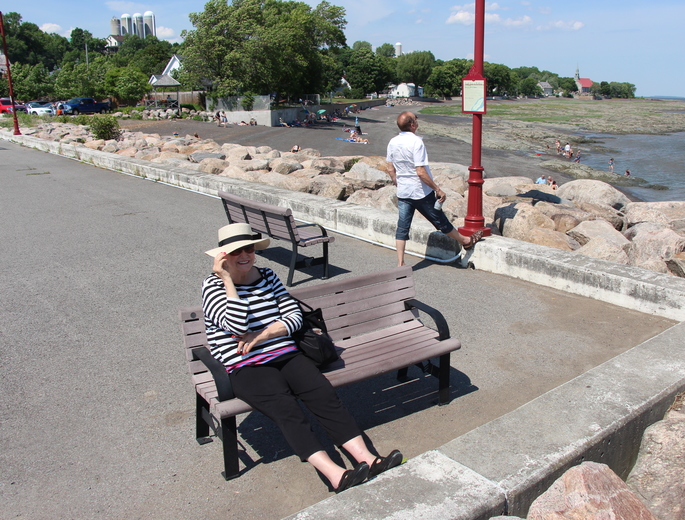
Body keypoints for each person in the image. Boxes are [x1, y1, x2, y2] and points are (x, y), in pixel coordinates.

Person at [201, 223, 403, 493]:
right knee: (287, 410)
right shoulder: (213, 286)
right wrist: (228, 280)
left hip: (285, 352)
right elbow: (236, 327)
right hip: (245, 365)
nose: (245, 255)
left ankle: (367, 457)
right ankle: (335, 474)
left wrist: (262, 335)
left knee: (325, 396)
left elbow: (294, 317)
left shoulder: (268, 276)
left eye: (249, 248)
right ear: (224, 256)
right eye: (237, 251)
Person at [386, 112, 483, 267]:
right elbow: (420, 172)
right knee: (440, 220)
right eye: (416, 119)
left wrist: (398, 182)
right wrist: (437, 189)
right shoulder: (416, 142)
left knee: (402, 227)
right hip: (420, 192)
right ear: (412, 125)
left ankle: (400, 264)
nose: (417, 121)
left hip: (403, 192)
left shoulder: (393, 142)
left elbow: (390, 169)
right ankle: (466, 241)